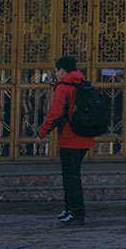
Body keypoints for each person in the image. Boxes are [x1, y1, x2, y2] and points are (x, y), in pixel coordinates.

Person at [37, 56, 94, 227]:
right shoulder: (83, 84)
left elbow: (55, 114)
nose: (56, 74)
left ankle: (76, 212)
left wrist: (42, 133)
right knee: (72, 175)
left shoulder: (64, 87)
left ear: (62, 70)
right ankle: (69, 209)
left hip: (70, 137)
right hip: (85, 135)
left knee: (71, 176)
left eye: (57, 71)